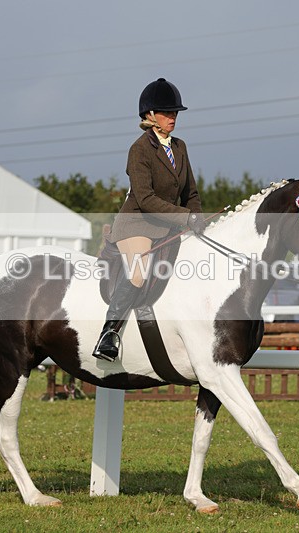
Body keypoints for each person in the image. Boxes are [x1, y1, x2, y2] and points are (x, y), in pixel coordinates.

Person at [92, 78, 205, 361]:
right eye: (168, 113)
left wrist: (199, 219)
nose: (173, 118)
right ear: (150, 115)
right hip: (137, 224)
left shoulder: (180, 147)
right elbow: (145, 199)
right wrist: (185, 217)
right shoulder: (139, 149)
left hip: (169, 224)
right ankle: (109, 334)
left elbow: (190, 192)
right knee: (139, 271)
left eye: (176, 113)